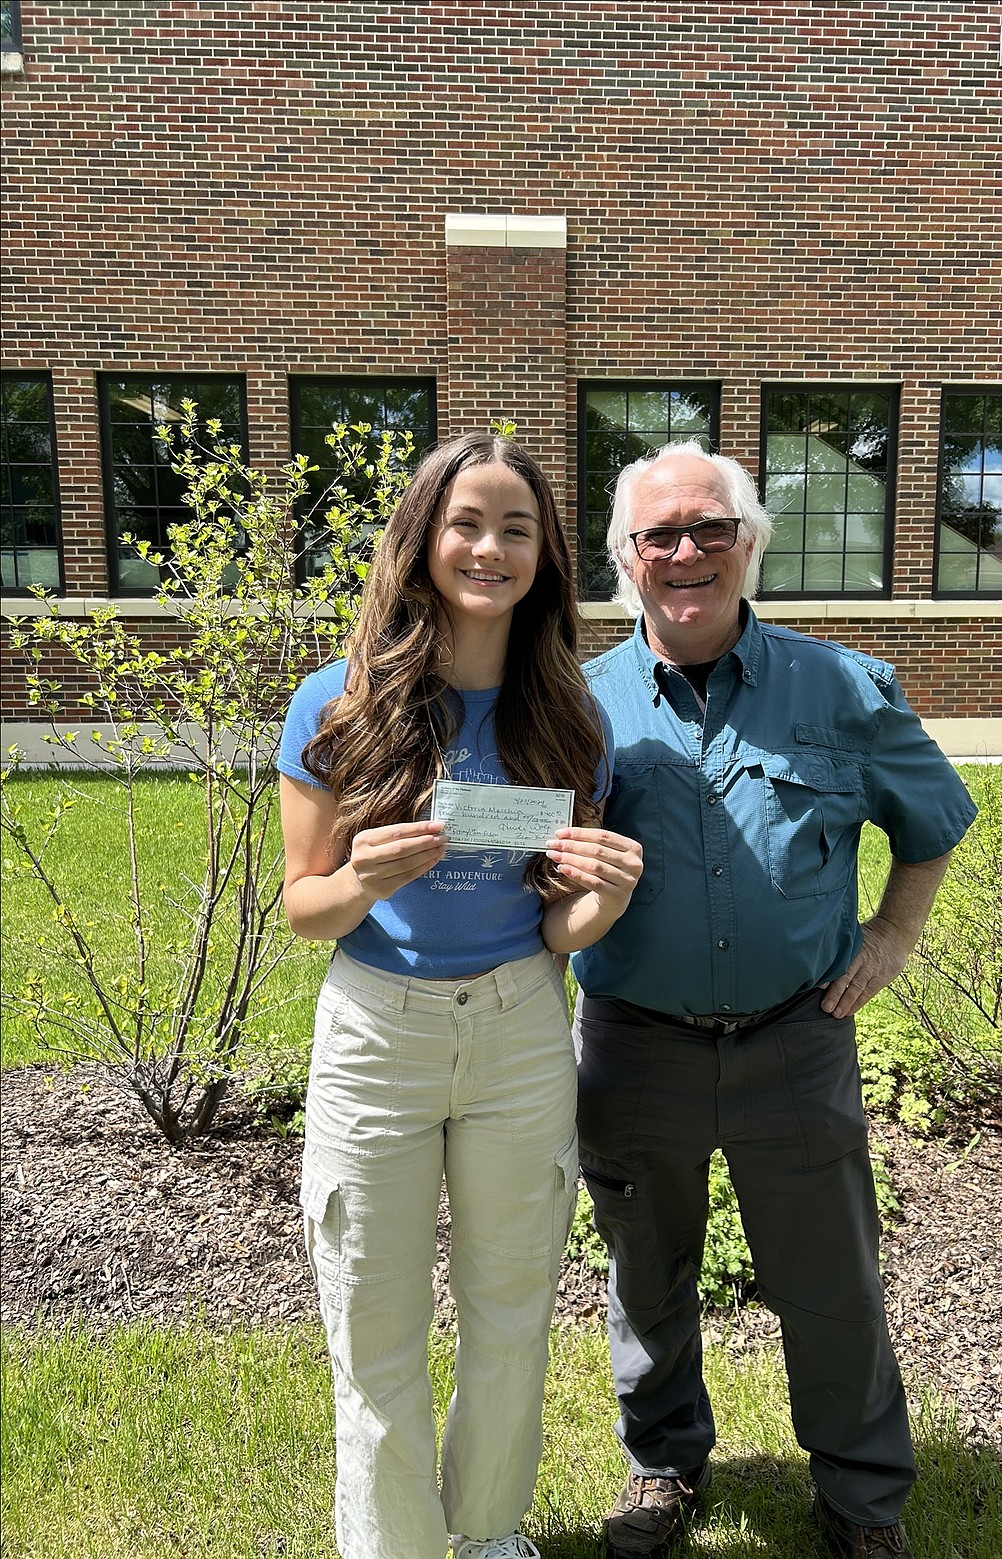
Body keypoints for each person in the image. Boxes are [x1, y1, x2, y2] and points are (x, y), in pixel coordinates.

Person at [570, 440, 977, 1559]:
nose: (688, 552)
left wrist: (894, 932)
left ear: (750, 543)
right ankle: (662, 1463)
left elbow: (934, 816)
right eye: (661, 535)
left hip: (798, 1040)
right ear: (627, 557)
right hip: (632, 1046)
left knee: (831, 1280)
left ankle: (859, 1497)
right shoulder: (574, 700)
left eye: (712, 528)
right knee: (645, 1273)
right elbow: (520, 846)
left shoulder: (842, 686)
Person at [278, 430, 643, 1559]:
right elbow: (303, 907)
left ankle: (487, 1534)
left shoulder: (571, 718)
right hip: (377, 1032)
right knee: (373, 1324)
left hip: (521, 1026)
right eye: (467, 523)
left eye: (516, 529)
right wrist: (360, 877)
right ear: (424, 539)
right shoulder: (340, 706)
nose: (490, 547)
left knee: (510, 1311)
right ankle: (390, 1545)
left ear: (544, 556)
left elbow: (554, 920)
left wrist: (605, 904)